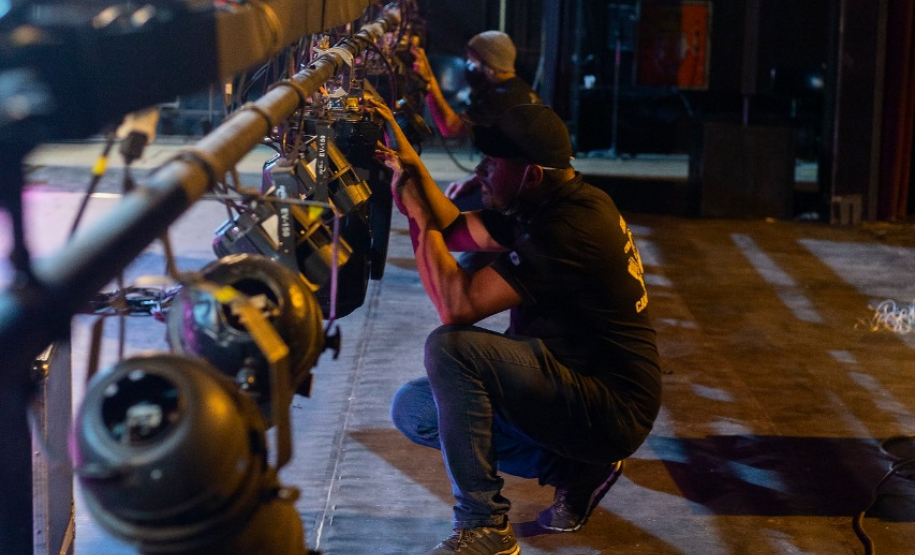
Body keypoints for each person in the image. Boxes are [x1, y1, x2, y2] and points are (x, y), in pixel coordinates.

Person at [370, 97, 661, 555]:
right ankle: (575, 469)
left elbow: (457, 305)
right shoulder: (545, 203)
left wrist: (417, 215)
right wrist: (405, 158)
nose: (481, 169)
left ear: (531, 174)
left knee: (453, 347)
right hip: (565, 385)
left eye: (493, 163)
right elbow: (453, 229)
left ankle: (485, 526)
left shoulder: (572, 227)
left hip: (609, 407)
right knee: (415, 410)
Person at [412, 31, 542, 209]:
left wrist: (428, 81)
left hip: (518, 196)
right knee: (458, 196)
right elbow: (509, 159)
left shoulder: (501, 99)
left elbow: (450, 127)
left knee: (446, 213)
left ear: (490, 64)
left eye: (473, 60)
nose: (468, 65)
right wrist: (477, 180)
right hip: (524, 184)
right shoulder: (521, 91)